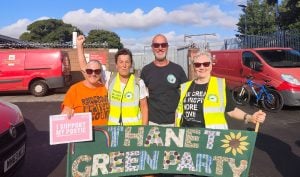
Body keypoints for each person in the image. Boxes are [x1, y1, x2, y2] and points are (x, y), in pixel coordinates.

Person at [174, 50, 266, 177]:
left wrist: (250, 117)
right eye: (198, 64)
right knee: (188, 173)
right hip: (187, 140)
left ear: (211, 65)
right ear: (193, 66)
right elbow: (179, 113)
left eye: (206, 64)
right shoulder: (185, 87)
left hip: (211, 140)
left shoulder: (220, 85)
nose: (202, 67)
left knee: (207, 172)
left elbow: (231, 110)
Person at [76, 35, 148, 126]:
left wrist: (143, 129)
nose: (124, 65)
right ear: (116, 65)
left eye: (127, 62)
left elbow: (144, 107)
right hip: (113, 130)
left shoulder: (138, 82)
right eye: (121, 62)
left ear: (131, 64)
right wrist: (79, 46)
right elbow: (85, 69)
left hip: (134, 131)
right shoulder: (109, 78)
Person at [140, 34, 188, 127]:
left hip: (174, 123)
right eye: (156, 45)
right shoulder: (146, 70)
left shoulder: (178, 69)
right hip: (152, 123)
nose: (160, 48)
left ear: (167, 47)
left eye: (163, 45)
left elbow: (186, 96)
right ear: (152, 48)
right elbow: (142, 99)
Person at [61, 60, 110, 126]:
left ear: (101, 73)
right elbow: (66, 110)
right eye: (89, 71)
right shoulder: (75, 89)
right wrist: (67, 113)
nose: (93, 74)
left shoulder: (105, 88)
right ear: (85, 72)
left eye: (97, 71)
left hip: (103, 133)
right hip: (84, 133)